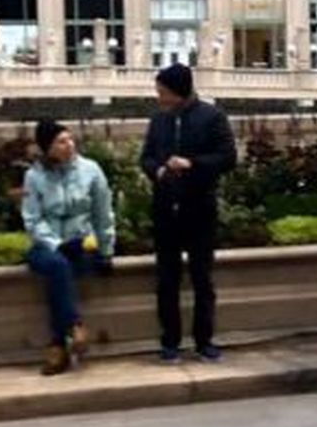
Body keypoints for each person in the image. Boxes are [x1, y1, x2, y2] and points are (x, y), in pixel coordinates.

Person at [139, 64, 237, 364]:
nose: (160, 99)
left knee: (202, 278)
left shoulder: (212, 117)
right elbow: (145, 156)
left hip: (199, 207)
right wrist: (157, 170)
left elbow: (227, 157)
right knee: (166, 279)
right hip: (165, 208)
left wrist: (192, 164)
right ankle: (169, 341)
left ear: (179, 92)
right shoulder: (158, 120)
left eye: (164, 93)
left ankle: (204, 340)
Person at [24, 120, 115, 376]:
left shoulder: (91, 170)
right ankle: (74, 326)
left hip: (81, 242)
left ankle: (57, 347)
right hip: (46, 244)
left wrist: (107, 249)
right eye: (61, 142)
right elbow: (32, 218)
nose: (69, 145)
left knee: (61, 273)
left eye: (70, 139)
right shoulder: (34, 176)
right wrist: (55, 244)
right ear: (47, 148)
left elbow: (103, 212)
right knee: (57, 265)